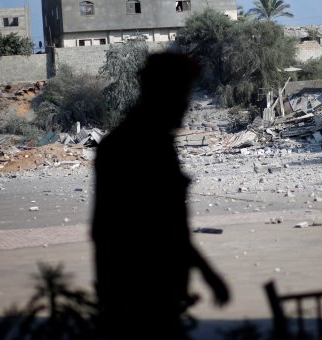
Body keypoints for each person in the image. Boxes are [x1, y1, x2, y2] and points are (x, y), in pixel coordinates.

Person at [92, 52, 229, 339]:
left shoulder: (147, 144)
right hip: (142, 305)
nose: (186, 103)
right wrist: (207, 273)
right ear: (160, 92)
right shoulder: (136, 148)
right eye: (181, 93)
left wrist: (204, 273)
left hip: (151, 300)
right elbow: (153, 230)